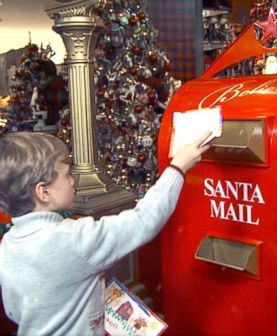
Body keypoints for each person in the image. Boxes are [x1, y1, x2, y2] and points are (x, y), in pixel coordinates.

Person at [0, 131, 211, 336]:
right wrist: (178, 167)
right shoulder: (73, 240)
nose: (72, 181)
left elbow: (13, 311)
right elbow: (144, 220)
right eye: (66, 175)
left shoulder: (8, 244)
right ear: (44, 192)